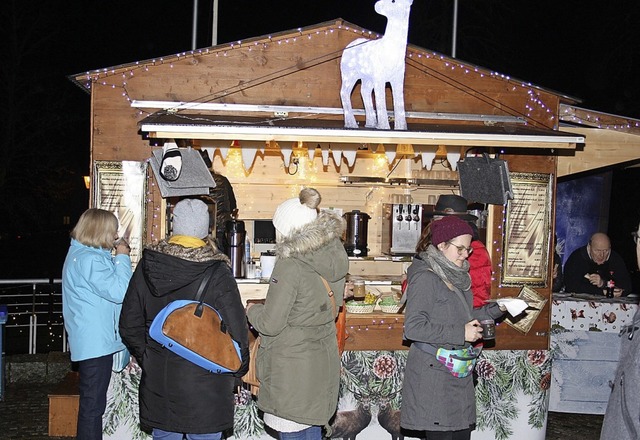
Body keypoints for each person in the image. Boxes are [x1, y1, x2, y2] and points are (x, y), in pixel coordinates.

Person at [119, 198, 249, 440]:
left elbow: (128, 323)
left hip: (161, 384)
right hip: (207, 388)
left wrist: (149, 357)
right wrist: (238, 368)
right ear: (207, 229)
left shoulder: (148, 265)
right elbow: (237, 332)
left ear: (173, 226)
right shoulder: (218, 272)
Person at [245, 187, 349, 440]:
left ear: (287, 230)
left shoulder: (291, 264)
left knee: (293, 431)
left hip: (291, 368)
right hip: (321, 362)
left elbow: (270, 324)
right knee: (311, 429)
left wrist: (252, 309)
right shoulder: (334, 255)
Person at [400, 215, 506, 440]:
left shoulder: (457, 276)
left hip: (456, 373)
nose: (465, 254)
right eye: (460, 248)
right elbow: (413, 328)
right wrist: (461, 333)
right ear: (441, 245)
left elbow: (465, 317)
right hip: (434, 377)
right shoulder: (425, 278)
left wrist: (498, 309)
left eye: (468, 249)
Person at [62, 208, 132, 440]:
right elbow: (120, 291)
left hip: (91, 340)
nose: (115, 236)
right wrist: (122, 255)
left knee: (92, 405)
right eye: (113, 230)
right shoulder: (89, 260)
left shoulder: (84, 256)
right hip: (95, 343)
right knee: (93, 408)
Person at [599, 222, 640, 439]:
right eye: (599, 251)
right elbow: (570, 282)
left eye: (606, 250)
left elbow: (626, 284)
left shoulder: (615, 260)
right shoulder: (578, 258)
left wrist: (605, 283)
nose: (603, 254)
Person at [424, 195, 492, 308]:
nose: (438, 226)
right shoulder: (436, 246)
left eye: (442, 221)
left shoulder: (474, 250)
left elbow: (478, 297)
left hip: (468, 317)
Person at [563, 232, 632, 296]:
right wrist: (602, 292)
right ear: (589, 247)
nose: (601, 255)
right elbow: (571, 286)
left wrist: (603, 283)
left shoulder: (615, 259)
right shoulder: (577, 257)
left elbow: (626, 286)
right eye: (597, 250)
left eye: (605, 251)